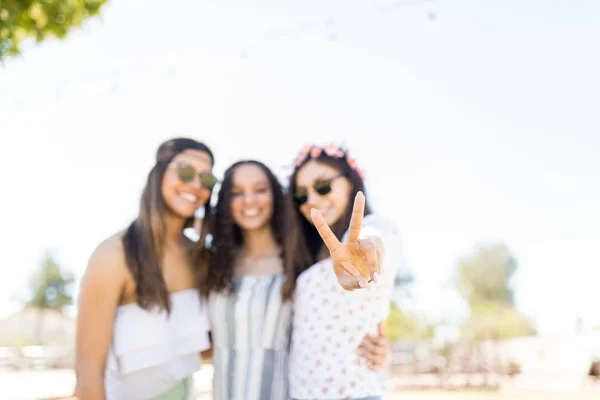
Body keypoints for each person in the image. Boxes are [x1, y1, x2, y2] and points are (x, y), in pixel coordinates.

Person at [203, 160, 389, 400]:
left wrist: (382, 343)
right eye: (236, 193)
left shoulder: (302, 261)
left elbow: (352, 309)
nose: (249, 200)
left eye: (260, 190)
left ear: (277, 196)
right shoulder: (213, 263)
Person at [75, 138, 217, 400]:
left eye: (207, 180)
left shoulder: (200, 257)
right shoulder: (114, 255)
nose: (196, 185)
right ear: (159, 173)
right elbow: (88, 373)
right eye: (185, 172)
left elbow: (203, 348)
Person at [288, 143, 401, 400]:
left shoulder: (368, 229)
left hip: (355, 393)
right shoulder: (305, 252)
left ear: (350, 182)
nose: (312, 200)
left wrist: (367, 249)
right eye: (301, 195)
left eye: (323, 185)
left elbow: (380, 239)